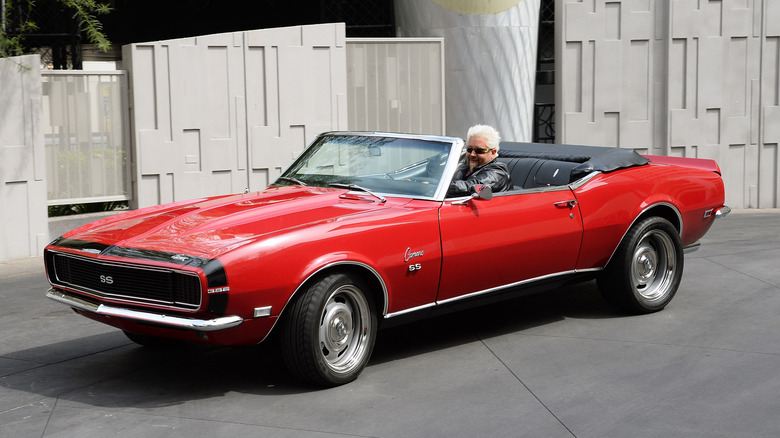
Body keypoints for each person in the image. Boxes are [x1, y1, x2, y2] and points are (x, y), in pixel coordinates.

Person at [447, 124, 512, 197]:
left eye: (479, 150)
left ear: (493, 152)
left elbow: (470, 187)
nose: (472, 154)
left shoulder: (498, 173)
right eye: (469, 149)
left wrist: (439, 186)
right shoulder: (462, 161)